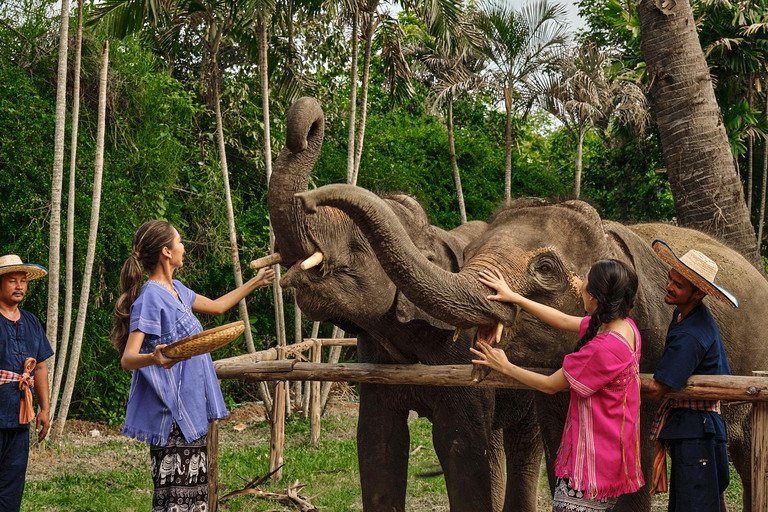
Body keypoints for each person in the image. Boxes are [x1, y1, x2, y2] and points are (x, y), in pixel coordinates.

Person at [111, 220, 275, 512]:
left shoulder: (177, 290)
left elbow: (217, 306)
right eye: (180, 241)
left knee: (193, 496)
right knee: (175, 497)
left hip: (190, 408)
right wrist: (153, 358)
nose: (184, 247)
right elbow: (128, 358)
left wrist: (255, 282)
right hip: (172, 415)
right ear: (166, 251)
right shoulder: (150, 297)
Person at [471, 259, 644, 512]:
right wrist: (515, 297)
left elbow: (550, 385)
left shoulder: (602, 348)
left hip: (592, 466)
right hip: (612, 457)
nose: (580, 286)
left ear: (595, 297)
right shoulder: (625, 328)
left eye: (585, 281)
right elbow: (563, 320)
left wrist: (505, 366)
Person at [647, 240, 735, 511]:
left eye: (678, 285)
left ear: (698, 294)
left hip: (699, 431)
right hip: (695, 428)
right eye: (670, 279)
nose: (669, 286)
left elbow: (658, 388)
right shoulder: (683, 315)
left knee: (694, 505)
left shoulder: (690, 334)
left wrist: (612, 379)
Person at [0, 254, 52, 512]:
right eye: (12, 281)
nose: (19, 286)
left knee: (11, 487)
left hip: (20, 418)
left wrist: (45, 408)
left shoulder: (31, 322)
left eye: (23, 281)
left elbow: (40, 366)